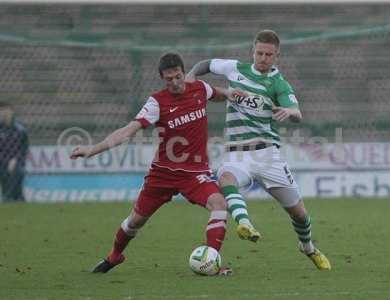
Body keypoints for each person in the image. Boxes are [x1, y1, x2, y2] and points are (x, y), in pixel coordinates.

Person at [70, 53, 243, 275]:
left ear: (184, 72)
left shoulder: (199, 87)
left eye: (178, 77)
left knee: (219, 204)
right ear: (162, 78)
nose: (174, 82)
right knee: (134, 222)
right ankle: (115, 256)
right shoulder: (157, 102)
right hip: (163, 174)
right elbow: (128, 131)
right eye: (168, 79)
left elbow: (215, 94)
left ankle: (211, 263)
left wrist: (229, 93)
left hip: (194, 173)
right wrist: (92, 149)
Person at [187, 30, 331, 270]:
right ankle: (245, 223)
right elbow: (206, 64)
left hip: (268, 156)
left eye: (269, 54)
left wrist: (290, 112)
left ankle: (307, 247)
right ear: (252, 51)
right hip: (238, 152)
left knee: (300, 214)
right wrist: (191, 76)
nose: (263, 58)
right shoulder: (235, 68)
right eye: (259, 53)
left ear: (277, 56)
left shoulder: (278, 83)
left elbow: (297, 113)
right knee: (226, 177)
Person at [0, 102, 29, 202]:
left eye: (6, 110)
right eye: (2, 111)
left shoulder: (20, 130)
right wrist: (5, 160)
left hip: (16, 161)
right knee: (4, 170)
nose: (4, 113)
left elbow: (23, 149)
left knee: (17, 170)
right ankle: (12, 197)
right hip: (2, 161)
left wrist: (15, 159)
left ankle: (11, 197)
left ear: (12, 112)